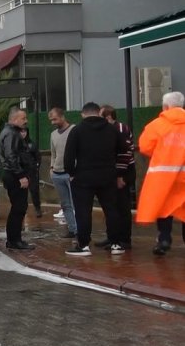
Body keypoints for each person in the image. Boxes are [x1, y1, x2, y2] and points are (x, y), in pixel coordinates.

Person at [63, 102, 127, 256]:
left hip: (83, 177)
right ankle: (116, 244)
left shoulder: (77, 130)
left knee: (83, 211)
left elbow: (69, 156)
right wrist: (116, 172)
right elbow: (122, 150)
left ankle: (83, 245)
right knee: (111, 210)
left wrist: (71, 173)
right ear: (99, 113)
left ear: (83, 114)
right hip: (108, 176)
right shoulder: (112, 130)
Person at [135, 91, 185, 256]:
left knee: (164, 207)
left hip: (163, 175)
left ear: (165, 106)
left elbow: (145, 147)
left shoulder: (156, 125)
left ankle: (164, 239)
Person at [95, 105, 136, 249]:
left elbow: (125, 154)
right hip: (113, 172)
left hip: (122, 173)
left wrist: (120, 176)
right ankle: (113, 237)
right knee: (111, 206)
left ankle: (124, 239)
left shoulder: (120, 129)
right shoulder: (110, 130)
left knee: (122, 207)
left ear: (108, 117)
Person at [0, 106, 35, 250]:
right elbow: (11, 156)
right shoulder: (11, 134)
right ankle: (14, 240)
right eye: (23, 118)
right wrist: (21, 175)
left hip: (13, 173)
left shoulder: (10, 132)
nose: (25, 121)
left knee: (19, 207)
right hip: (14, 175)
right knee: (19, 208)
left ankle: (14, 239)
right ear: (14, 119)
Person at [47, 107, 77, 239]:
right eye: (51, 120)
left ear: (62, 116)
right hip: (57, 173)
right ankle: (72, 229)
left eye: (55, 119)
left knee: (76, 202)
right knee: (65, 204)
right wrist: (51, 168)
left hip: (71, 173)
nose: (53, 122)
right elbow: (53, 153)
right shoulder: (53, 135)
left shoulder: (74, 130)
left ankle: (81, 230)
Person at [19, 127, 42, 217]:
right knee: (21, 193)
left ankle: (38, 208)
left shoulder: (31, 144)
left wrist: (36, 167)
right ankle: (22, 210)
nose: (23, 133)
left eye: (24, 131)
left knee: (34, 191)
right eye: (21, 131)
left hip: (32, 171)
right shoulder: (16, 144)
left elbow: (38, 157)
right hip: (21, 172)